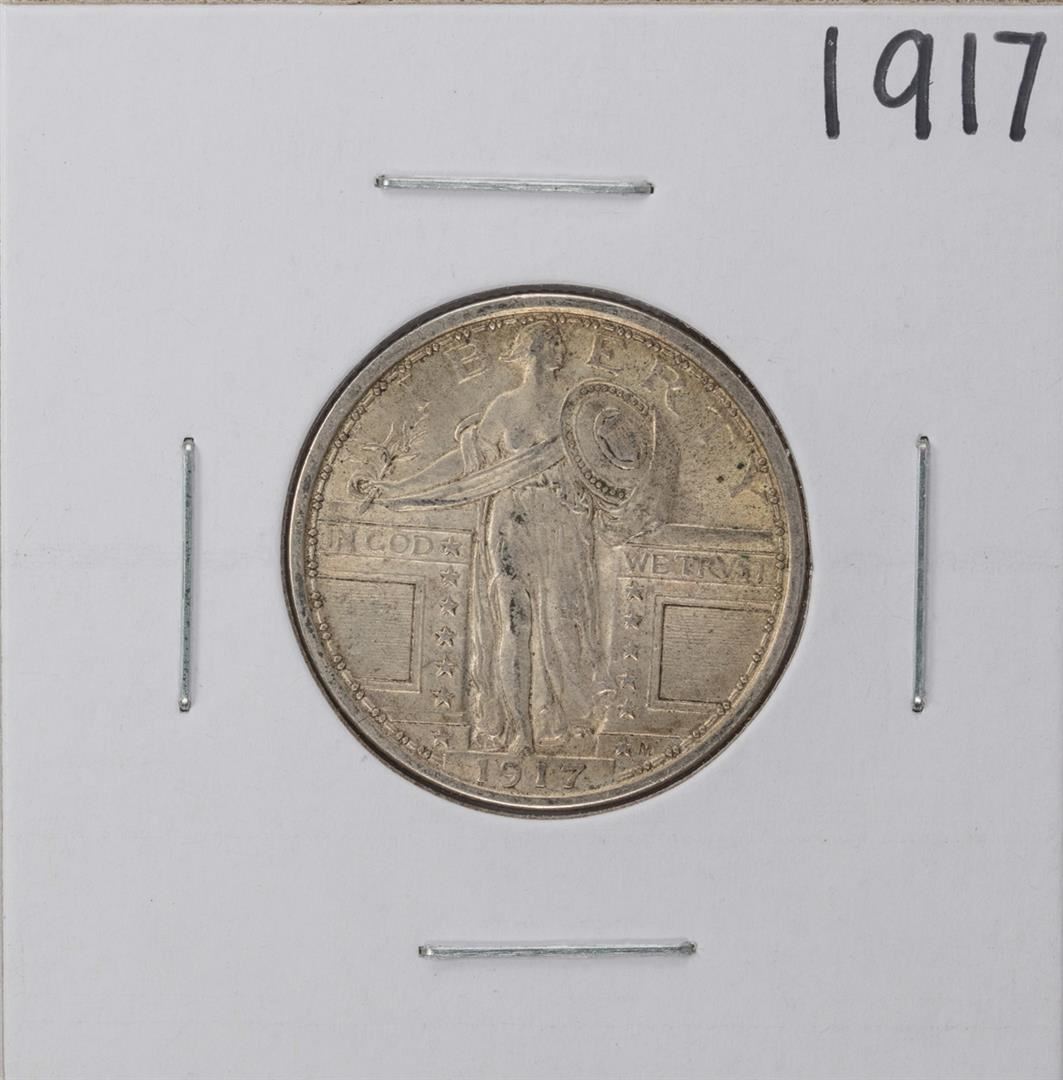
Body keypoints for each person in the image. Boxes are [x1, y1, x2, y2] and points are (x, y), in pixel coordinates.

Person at [370, 321, 605, 753]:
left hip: (562, 525)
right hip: (511, 521)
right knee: (513, 623)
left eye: (559, 345)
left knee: (562, 624)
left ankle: (568, 723)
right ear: (532, 352)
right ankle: (520, 732)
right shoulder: (504, 406)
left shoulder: (576, 407)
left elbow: (609, 467)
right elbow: (464, 466)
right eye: (552, 344)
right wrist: (400, 488)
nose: (560, 351)